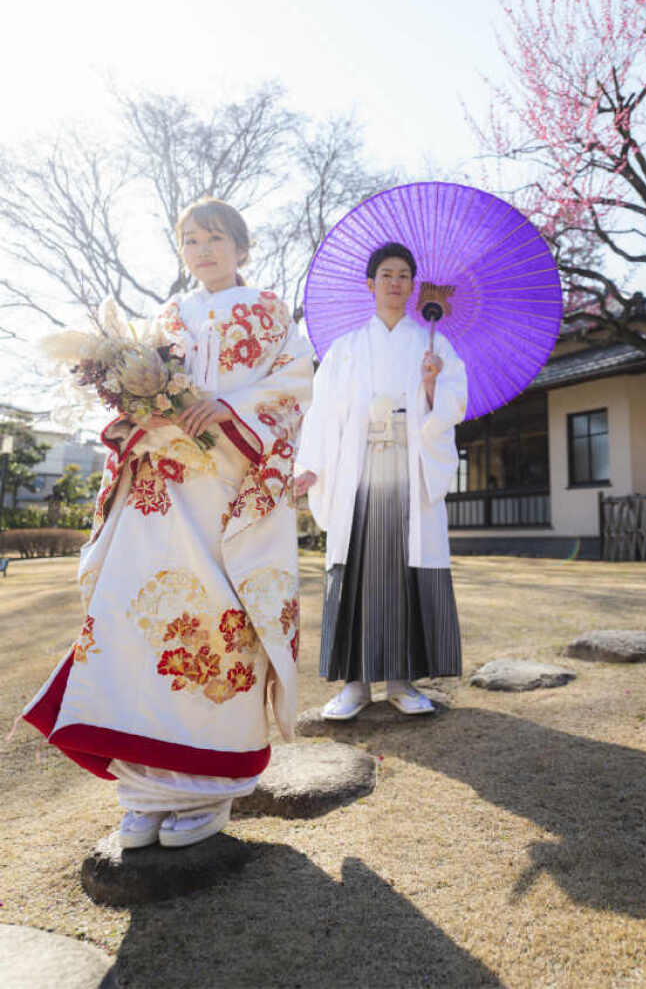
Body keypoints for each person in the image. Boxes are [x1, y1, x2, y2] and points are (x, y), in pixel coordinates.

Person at [24, 199, 313, 848]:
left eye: (214, 237)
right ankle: (144, 788)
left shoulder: (270, 313)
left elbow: (296, 388)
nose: (202, 248)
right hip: (157, 489)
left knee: (216, 629)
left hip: (226, 496)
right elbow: (136, 393)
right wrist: (133, 406)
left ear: (241, 245)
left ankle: (207, 792)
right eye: (190, 239)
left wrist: (227, 407)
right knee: (134, 622)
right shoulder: (168, 316)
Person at [295, 241, 466, 720]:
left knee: (406, 571)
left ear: (414, 287)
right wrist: (310, 465)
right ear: (370, 285)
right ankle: (353, 685)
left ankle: (402, 681)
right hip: (358, 467)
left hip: (410, 466)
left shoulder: (434, 345)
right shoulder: (346, 350)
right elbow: (324, 412)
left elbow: (453, 405)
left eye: (405, 275)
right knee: (357, 571)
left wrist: (432, 384)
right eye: (387, 274)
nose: (396, 283)